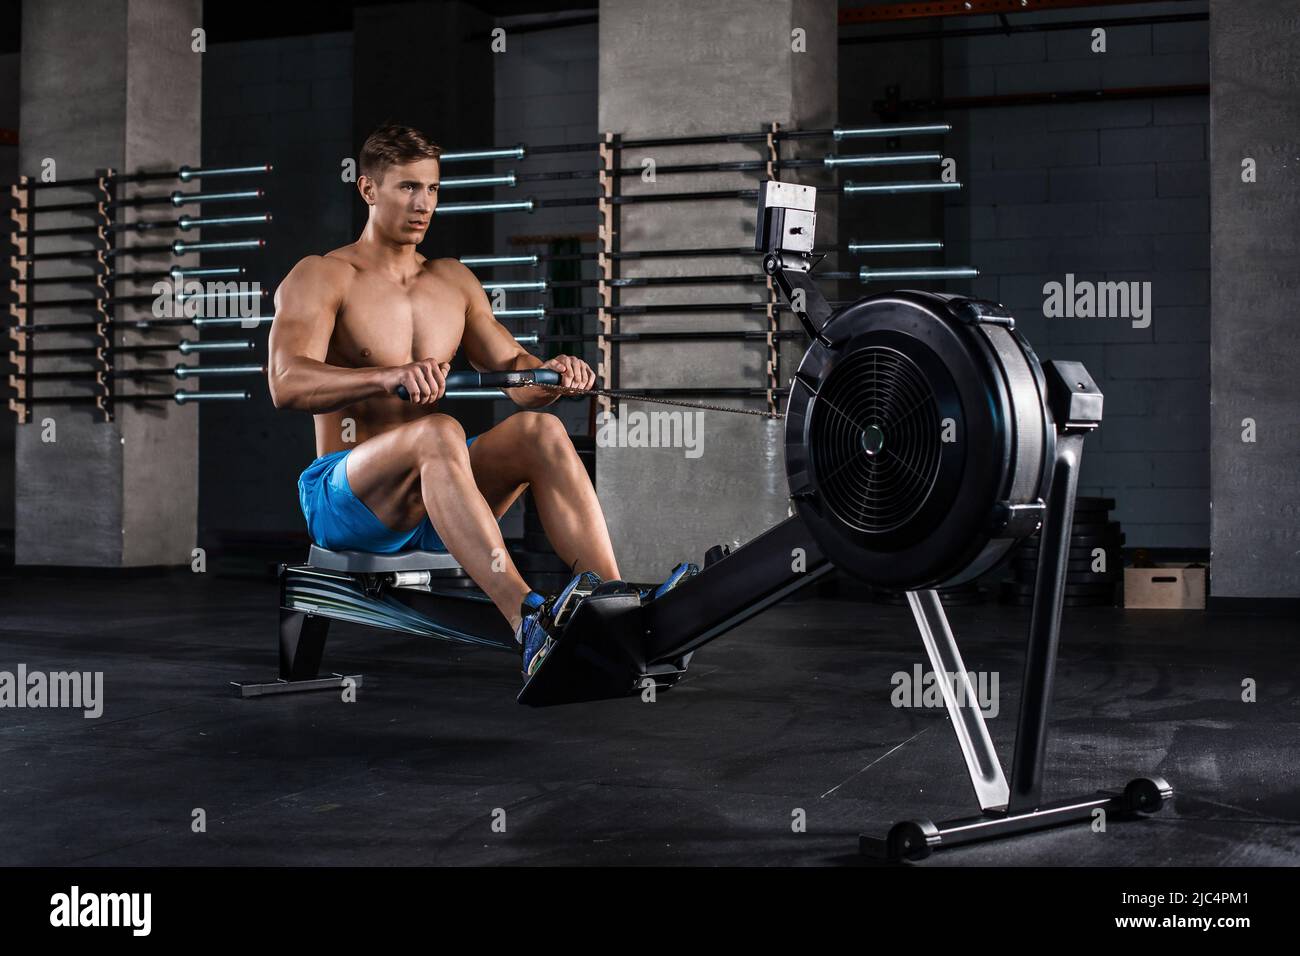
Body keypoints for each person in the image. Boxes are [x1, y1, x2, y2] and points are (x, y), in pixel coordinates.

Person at [268, 123, 630, 680]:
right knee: (440, 429)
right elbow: (286, 382)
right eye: (407, 188)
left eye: (432, 189)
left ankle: (616, 608)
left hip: (443, 501)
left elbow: (515, 376)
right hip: (348, 502)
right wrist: (385, 376)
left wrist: (552, 374)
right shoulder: (322, 276)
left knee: (541, 432)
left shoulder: (453, 281)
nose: (423, 204)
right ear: (368, 189)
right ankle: (526, 619)